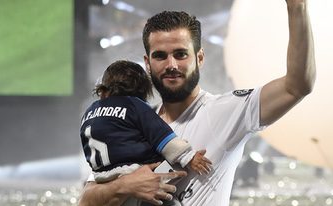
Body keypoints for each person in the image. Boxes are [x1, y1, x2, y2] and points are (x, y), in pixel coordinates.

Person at [79, 0, 316, 205]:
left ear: (199, 58)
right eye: (160, 55)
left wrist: (297, 7)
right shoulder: (132, 124)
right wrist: (126, 186)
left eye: (181, 54)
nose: (171, 64)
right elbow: (86, 201)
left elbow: (296, 86)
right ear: (147, 63)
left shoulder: (225, 111)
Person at [80, 60, 212, 204]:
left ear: (104, 91)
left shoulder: (89, 112)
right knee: (173, 176)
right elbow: (163, 137)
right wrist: (189, 157)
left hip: (101, 179)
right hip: (137, 174)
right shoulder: (133, 105)